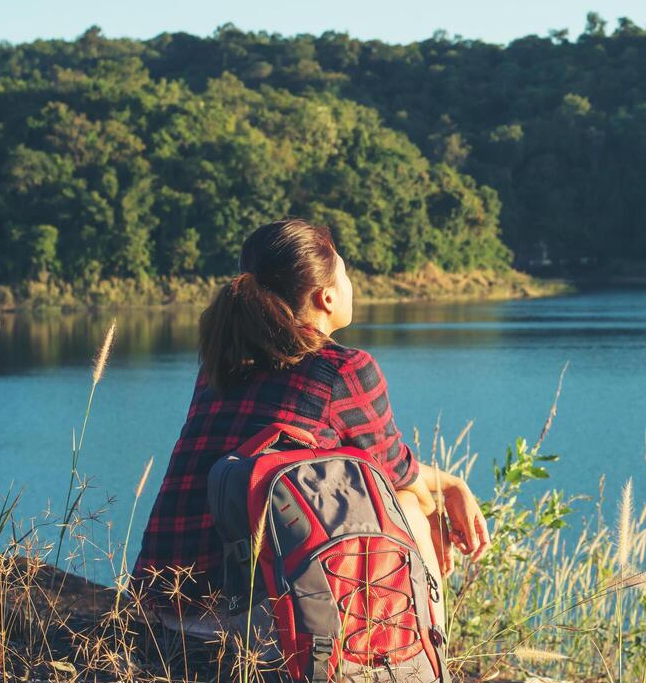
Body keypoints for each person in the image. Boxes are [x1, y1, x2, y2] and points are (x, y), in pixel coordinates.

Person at [131, 217, 489, 634]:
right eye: (347, 274)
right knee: (409, 503)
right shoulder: (340, 370)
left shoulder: (220, 368)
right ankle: (428, 669)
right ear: (327, 297)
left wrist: (447, 484)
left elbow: (388, 466)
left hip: (156, 612)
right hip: (239, 628)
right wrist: (444, 492)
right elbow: (400, 476)